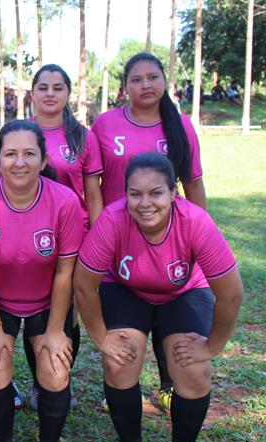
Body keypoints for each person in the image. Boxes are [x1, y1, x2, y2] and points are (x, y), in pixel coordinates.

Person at [73, 153, 242, 442]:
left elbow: (232, 294)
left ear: (173, 193)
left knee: (192, 366)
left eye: (156, 193)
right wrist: (102, 338)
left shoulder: (195, 222)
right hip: (127, 289)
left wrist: (212, 347)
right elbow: (83, 285)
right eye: (135, 193)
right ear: (125, 195)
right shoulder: (112, 219)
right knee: (120, 357)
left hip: (183, 293)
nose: (145, 203)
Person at [0, 120, 83, 442]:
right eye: (10, 154)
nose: (19, 162)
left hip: (48, 301)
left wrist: (57, 330)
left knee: (56, 369)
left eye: (29, 153)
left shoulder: (64, 201)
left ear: (44, 160)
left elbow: (65, 273)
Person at [91, 52, 208, 414]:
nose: (145, 85)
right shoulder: (105, 124)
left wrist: (198, 237)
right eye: (137, 79)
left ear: (164, 82)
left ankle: (170, 384)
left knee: (170, 307)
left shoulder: (181, 125)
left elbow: (193, 183)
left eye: (152, 77)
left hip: (170, 239)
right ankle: (126, 389)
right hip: (120, 240)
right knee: (129, 316)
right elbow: (94, 184)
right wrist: (99, 233)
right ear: (124, 87)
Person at [26, 64, 104, 410]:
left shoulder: (82, 137)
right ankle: (39, 382)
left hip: (74, 237)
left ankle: (61, 377)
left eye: (58, 87)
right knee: (37, 311)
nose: (50, 94)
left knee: (68, 313)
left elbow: (93, 194)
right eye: (43, 87)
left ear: (68, 94)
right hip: (29, 238)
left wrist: (102, 240)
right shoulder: (22, 132)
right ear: (33, 94)